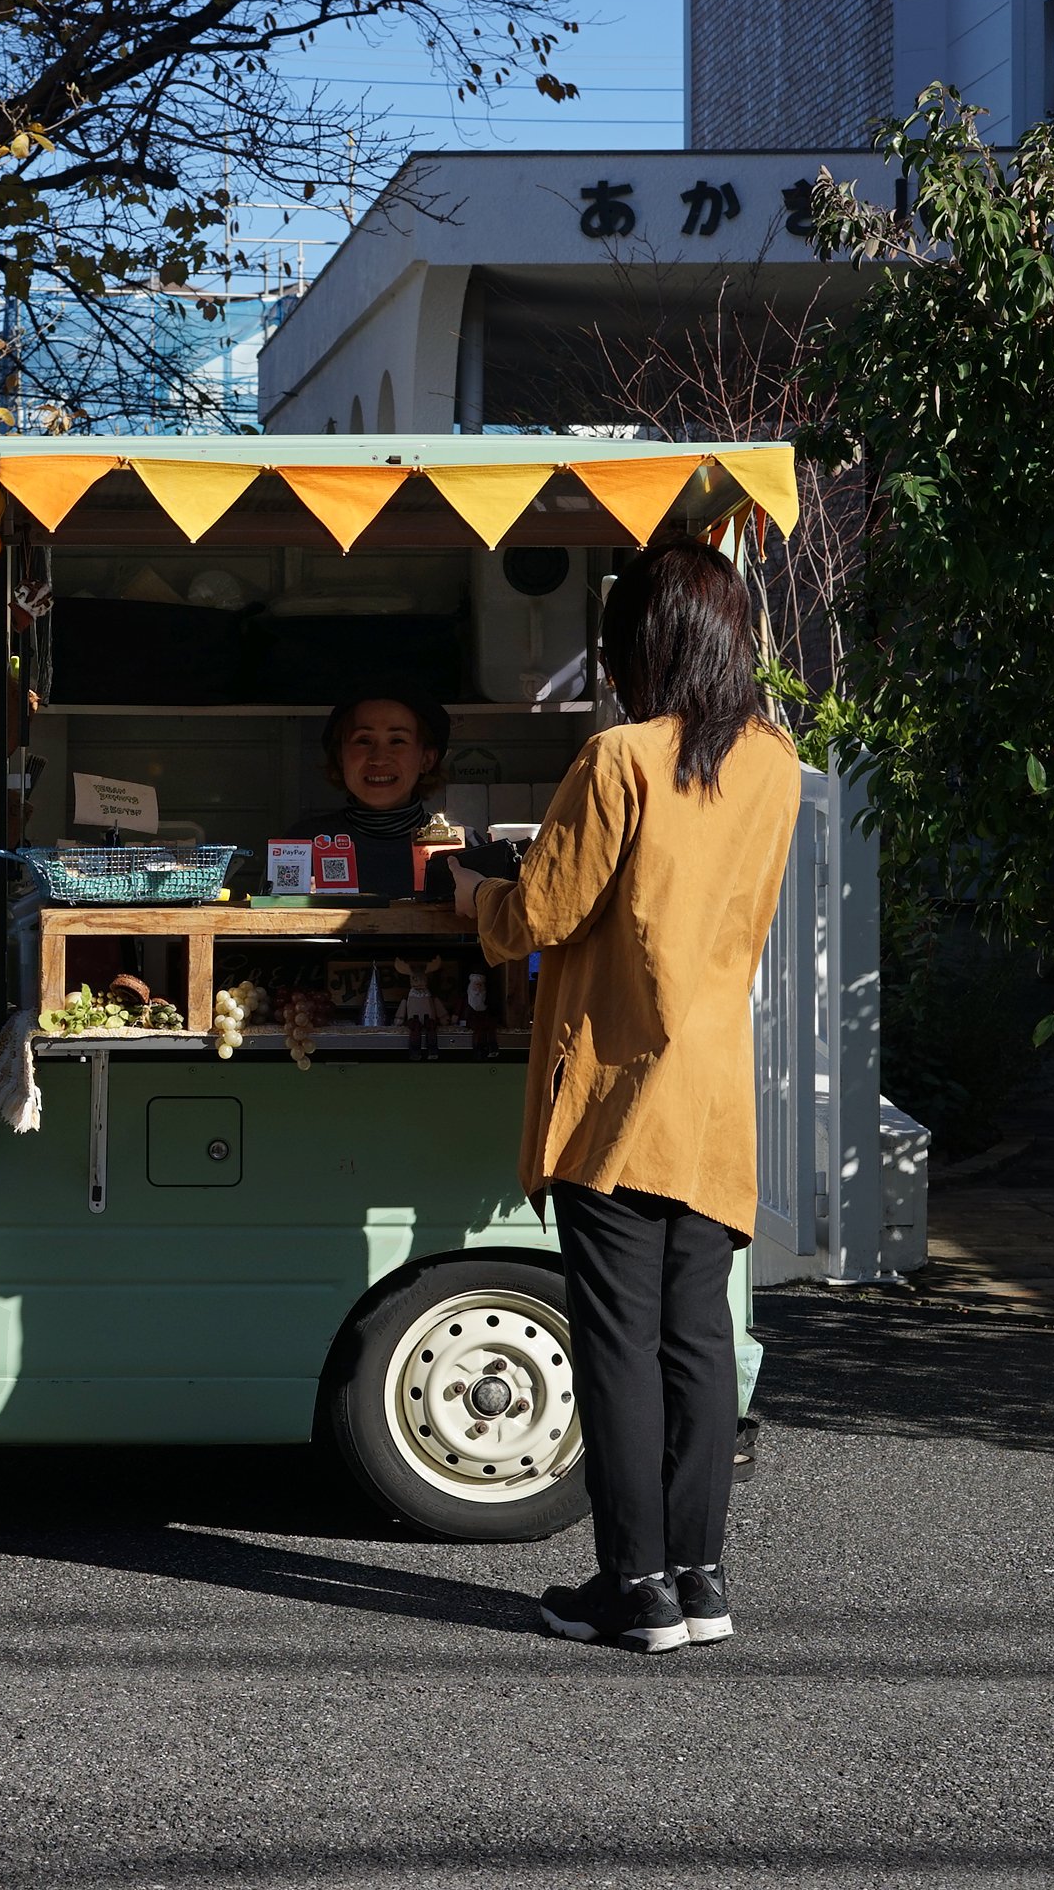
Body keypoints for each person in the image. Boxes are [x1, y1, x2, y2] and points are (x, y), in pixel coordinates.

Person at [450, 544, 800, 1654]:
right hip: (710, 1089)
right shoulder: (772, 762)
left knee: (614, 1341)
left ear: (638, 644)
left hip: (614, 1088)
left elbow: (538, 915)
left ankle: (632, 1587)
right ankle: (698, 1580)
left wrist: (469, 893)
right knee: (695, 1338)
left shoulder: (617, 760)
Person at [284, 692, 452, 899]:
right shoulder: (299, 846)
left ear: (427, 759)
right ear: (340, 757)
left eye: (397, 741)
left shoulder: (462, 846)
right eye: (363, 740)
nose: (379, 759)